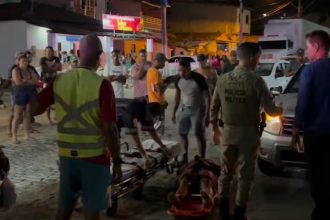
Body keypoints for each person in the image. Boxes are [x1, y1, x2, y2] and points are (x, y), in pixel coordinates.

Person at [32, 34, 122, 220]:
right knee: (92, 213)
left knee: (63, 210)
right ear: (100, 56)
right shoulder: (102, 85)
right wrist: (118, 160)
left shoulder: (59, 80)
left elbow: (34, 109)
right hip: (94, 158)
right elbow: (109, 128)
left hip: (66, 157)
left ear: (78, 53)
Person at [210, 42, 283, 220]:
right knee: (245, 176)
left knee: (225, 173)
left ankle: (223, 213)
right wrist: (280, 108)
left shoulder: (223, 79)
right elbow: (271, 110)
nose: (258, 61)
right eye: (258, 58)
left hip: (227, 133)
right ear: (252, 58)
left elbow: (213, 108)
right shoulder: (257, 82)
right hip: (248, 136)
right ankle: (239, 215)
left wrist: (215, 130)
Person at [292, 30, 330, 220]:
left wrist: (296, 128)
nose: (306, 53)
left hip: (315, 134)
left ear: (316, 47)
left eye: (307, 47)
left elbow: (304, 103)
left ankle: (321, 211)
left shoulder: (310, 70)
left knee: (316, 174)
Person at [172, 58, 210, 163]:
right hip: (184, 109)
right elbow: (177, 96)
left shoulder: (199, 79)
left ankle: (202, 158)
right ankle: (184, 158)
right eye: (179, 70)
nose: (181, 73)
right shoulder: (178, 79)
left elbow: (207, 97)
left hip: (198, 109)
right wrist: (174, 112)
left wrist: (207, 115)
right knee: (182, 134)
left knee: (198, 134)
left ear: (189, 69)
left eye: (183, 70)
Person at [117, 98, 171, 169]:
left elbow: (152, 132)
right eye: (150, 116)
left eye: (153, 117)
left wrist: (163, 146)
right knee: (114, 140)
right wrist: (145, 157)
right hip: (114, 113)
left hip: (123, 111)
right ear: (147, 112)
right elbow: (136, 140)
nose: (151, 119)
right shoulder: (132, 115)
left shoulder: (148, 109)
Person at [11, 53, 39, 143]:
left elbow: (36, 80)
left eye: (26, 61)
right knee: (17, 115)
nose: (25, 62)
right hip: (20, 93)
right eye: (23, 61)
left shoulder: (30, 70)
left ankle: (27, 134)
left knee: (27, 114)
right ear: (18, 62)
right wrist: (30, 81)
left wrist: (25, 81)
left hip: (30, 93)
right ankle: (14, 136)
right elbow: (18, 82)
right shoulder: (15, 70)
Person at [40, 46, 62, 124]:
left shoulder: (56, 58)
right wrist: (53, 67)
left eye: (50, 51)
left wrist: (50, 67)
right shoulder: (43, 60)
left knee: (57, 99)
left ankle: (57, 116)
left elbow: (59, 68)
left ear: (53, 52)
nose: (48, 53)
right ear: (45, 52)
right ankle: (49, 119)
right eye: (47, 51)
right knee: (48, 101)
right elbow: (44, 69)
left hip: (55, 81)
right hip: (46, 82)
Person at [146, 53, 170, 125]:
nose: (164, 64)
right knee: (158, 127)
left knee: (155, 126)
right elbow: (159, 92)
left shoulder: (150, 71)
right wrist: (168, 83)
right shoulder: (156, 73)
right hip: (158, 104)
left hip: (152, 102)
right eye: (163, 62)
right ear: (157, 61)